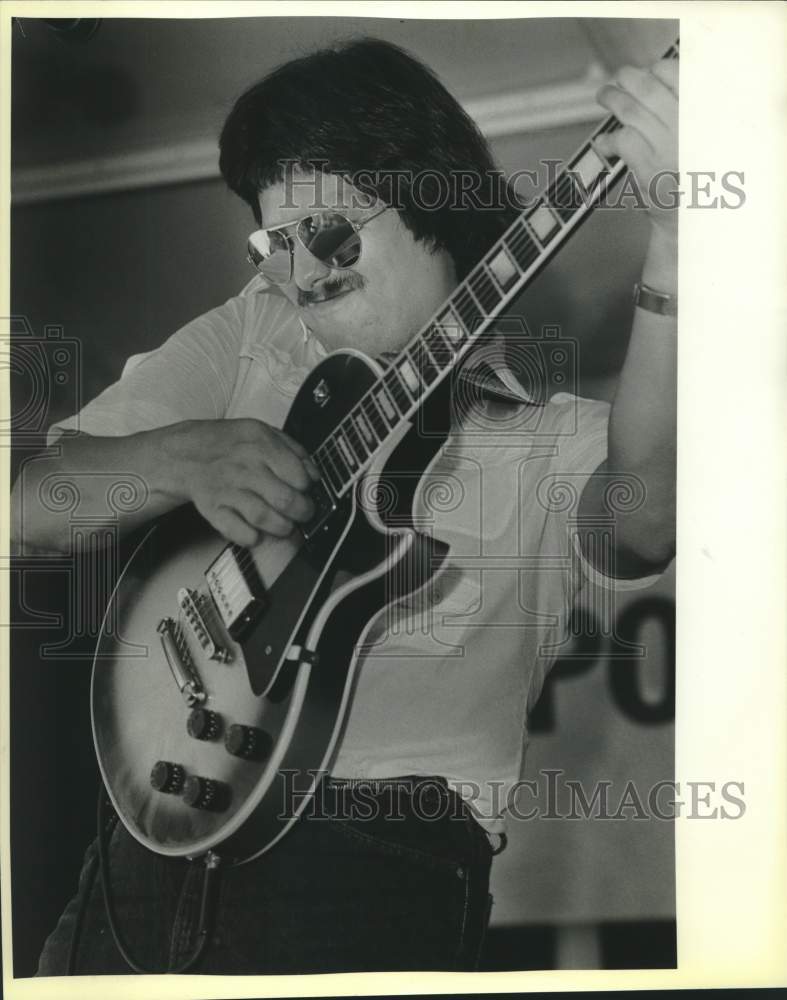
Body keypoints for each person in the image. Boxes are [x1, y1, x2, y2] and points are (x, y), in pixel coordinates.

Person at [14, 37, 677, 975]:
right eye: (271, 242)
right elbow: (26, 508)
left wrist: (679, 246)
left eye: (330, 233)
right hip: (129, 877)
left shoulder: (549, 438)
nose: (299, 271)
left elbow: (645, 526)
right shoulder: (252, 332)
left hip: (367, 876)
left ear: (429, 202)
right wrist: (184, 454)